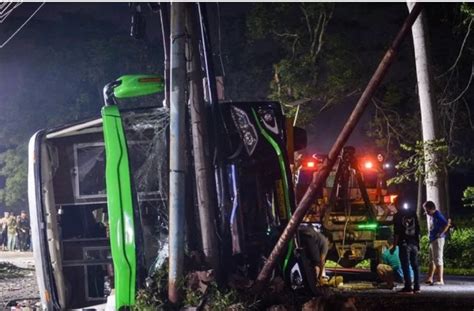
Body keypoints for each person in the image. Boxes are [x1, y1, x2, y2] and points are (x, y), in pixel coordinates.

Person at [392, 200, 420, 294]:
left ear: (397, 205)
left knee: (405, 265)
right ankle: (417, 287)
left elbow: (397, 232)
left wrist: (394, 246)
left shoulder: (397, 216)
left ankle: (408, 287)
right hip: (414, 243)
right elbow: (418, 229)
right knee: (415, 265)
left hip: (404, 243)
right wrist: (418, 243)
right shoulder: (413, 213)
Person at [423, 201, 449, 285]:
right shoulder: (432, 216)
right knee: (432, 260)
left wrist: (441, 233)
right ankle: (430, 278)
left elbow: (446, 224)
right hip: (432, 239)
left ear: (431, 209)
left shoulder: (438, 215)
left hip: (438, 240)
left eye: (427, 210)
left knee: (438, 259)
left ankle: (440, 279)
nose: (426, 212)